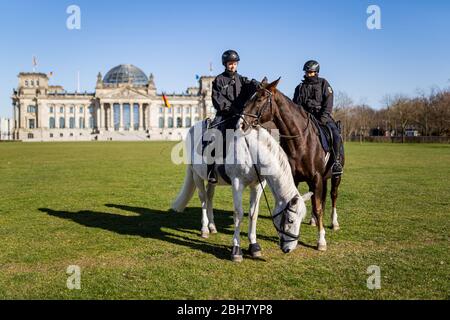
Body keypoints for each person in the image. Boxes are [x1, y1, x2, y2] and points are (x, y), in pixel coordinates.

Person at [207, 50, 259, 184]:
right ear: (225, 64)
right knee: (215, 138)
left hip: (241, 116)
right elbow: (217, 100)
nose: (232, 66)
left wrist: (257, 84)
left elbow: (251, 88)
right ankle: (211, 170)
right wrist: (231, 108)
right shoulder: (219, 80)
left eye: (234, 63)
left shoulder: (242, 79)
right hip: (224, 116)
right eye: (230, 64)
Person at [293, 60, 344, 175]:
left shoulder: (323, 83)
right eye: (306, 72)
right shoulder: (299, 87)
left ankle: (336, 163)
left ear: (316, 72)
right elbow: (295, 105)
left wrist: (323, 118)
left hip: (322, 117)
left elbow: (328, 103)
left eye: (310, 72)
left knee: (335, 135)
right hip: (304, 118)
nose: (307, 74)